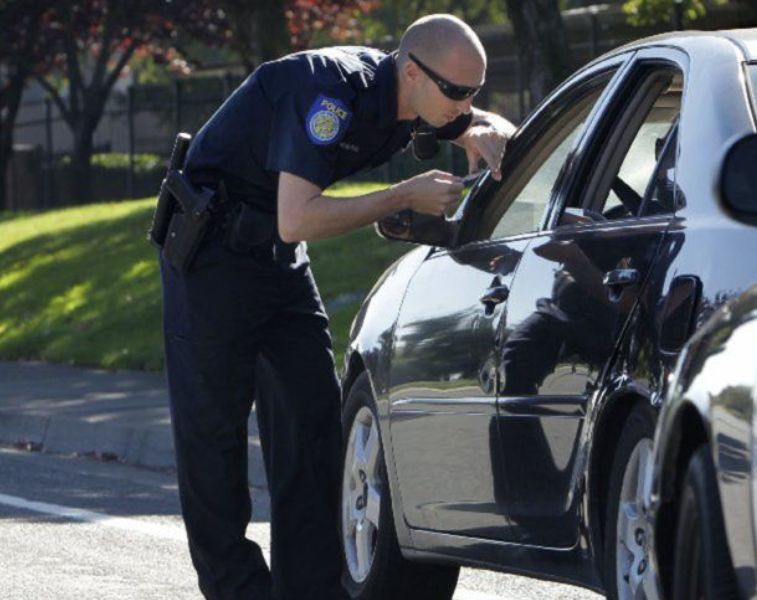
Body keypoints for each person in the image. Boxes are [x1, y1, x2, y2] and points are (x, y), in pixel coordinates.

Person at [157, 14, 515, 599]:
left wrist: (481, 127)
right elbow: (297, 215)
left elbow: (482, 120)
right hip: (213, 258)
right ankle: (237, 589)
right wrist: (403, 196)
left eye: (474, 90)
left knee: (312, 426)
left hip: (278, 260)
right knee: (213, 438)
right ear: (411, 73)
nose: (465, 102)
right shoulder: (331, 94)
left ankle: (309, 590)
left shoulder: (418, 98)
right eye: (456, 92)